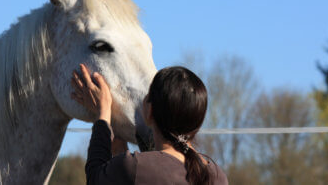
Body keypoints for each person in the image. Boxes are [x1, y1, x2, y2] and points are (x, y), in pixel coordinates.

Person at [71, 64, 228, 185]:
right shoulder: (217, 176)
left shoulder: (135, 167)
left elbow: (95, 178)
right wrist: (120, 152)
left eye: (146, 97)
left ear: (150, 111)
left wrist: (102, 113)